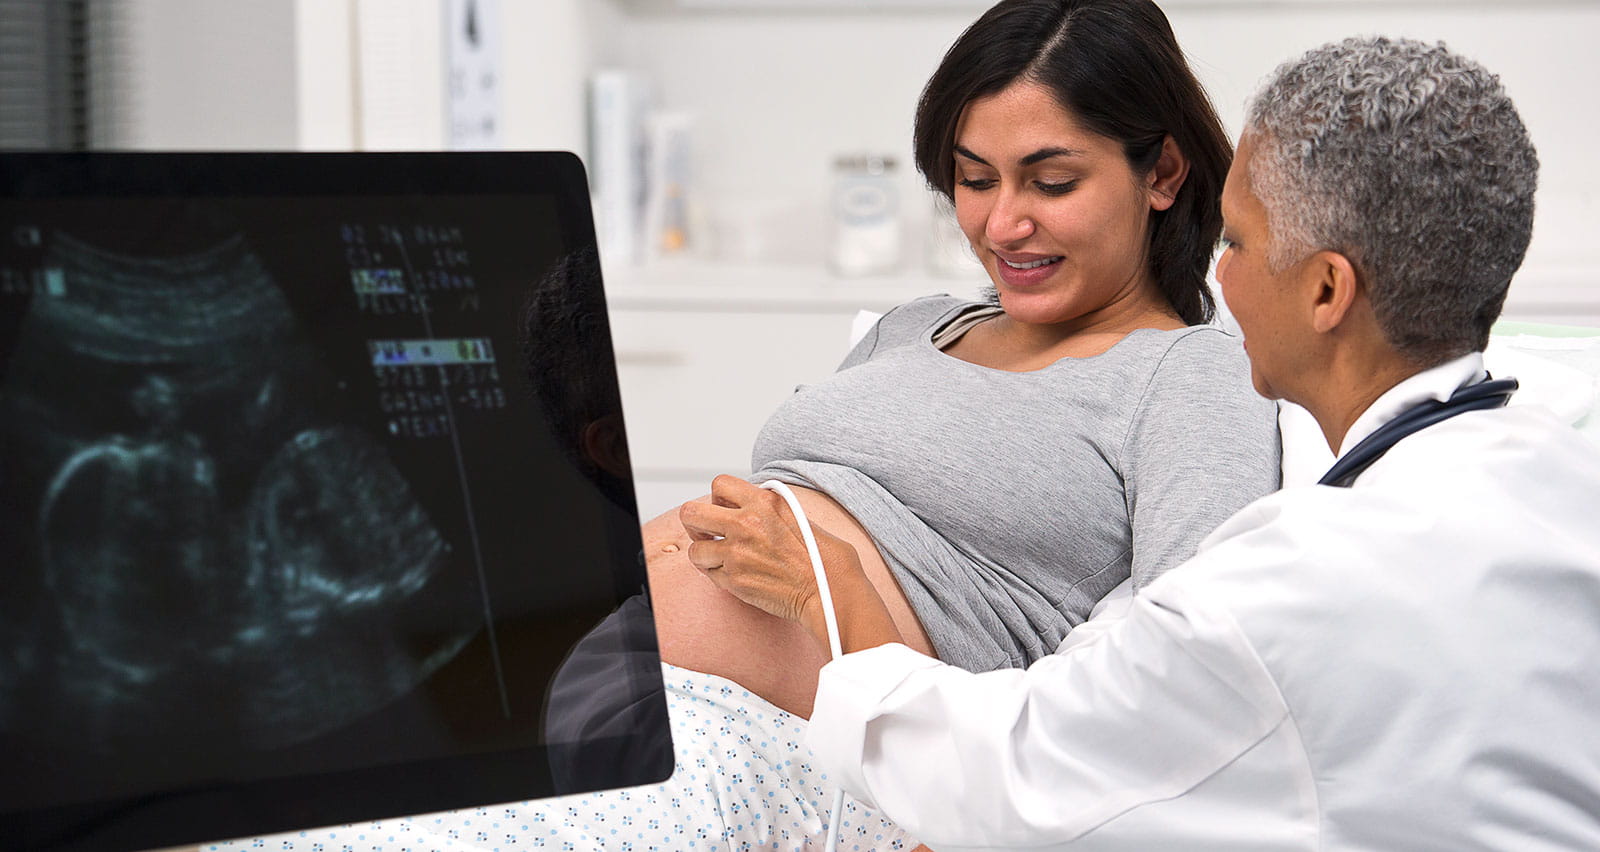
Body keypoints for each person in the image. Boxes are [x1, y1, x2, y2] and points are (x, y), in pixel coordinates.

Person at [203, 0, 1277, 849]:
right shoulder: (915, 326)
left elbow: (1183, 669)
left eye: (1051, 180)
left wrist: (848, 622)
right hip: (612, 684)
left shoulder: (1187, 373)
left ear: (1163, 172)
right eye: (972, 179)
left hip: (809, 749)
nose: (1003, 223)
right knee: (254, 798)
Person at [683, 35, 1600, 849]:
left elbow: (1027, 782)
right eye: (974, 177)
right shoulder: (1547, 480)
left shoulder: (1287, 584)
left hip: (820, 766)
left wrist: (827, 590)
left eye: (1235, 244)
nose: (1219, 279)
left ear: (1326, 292)